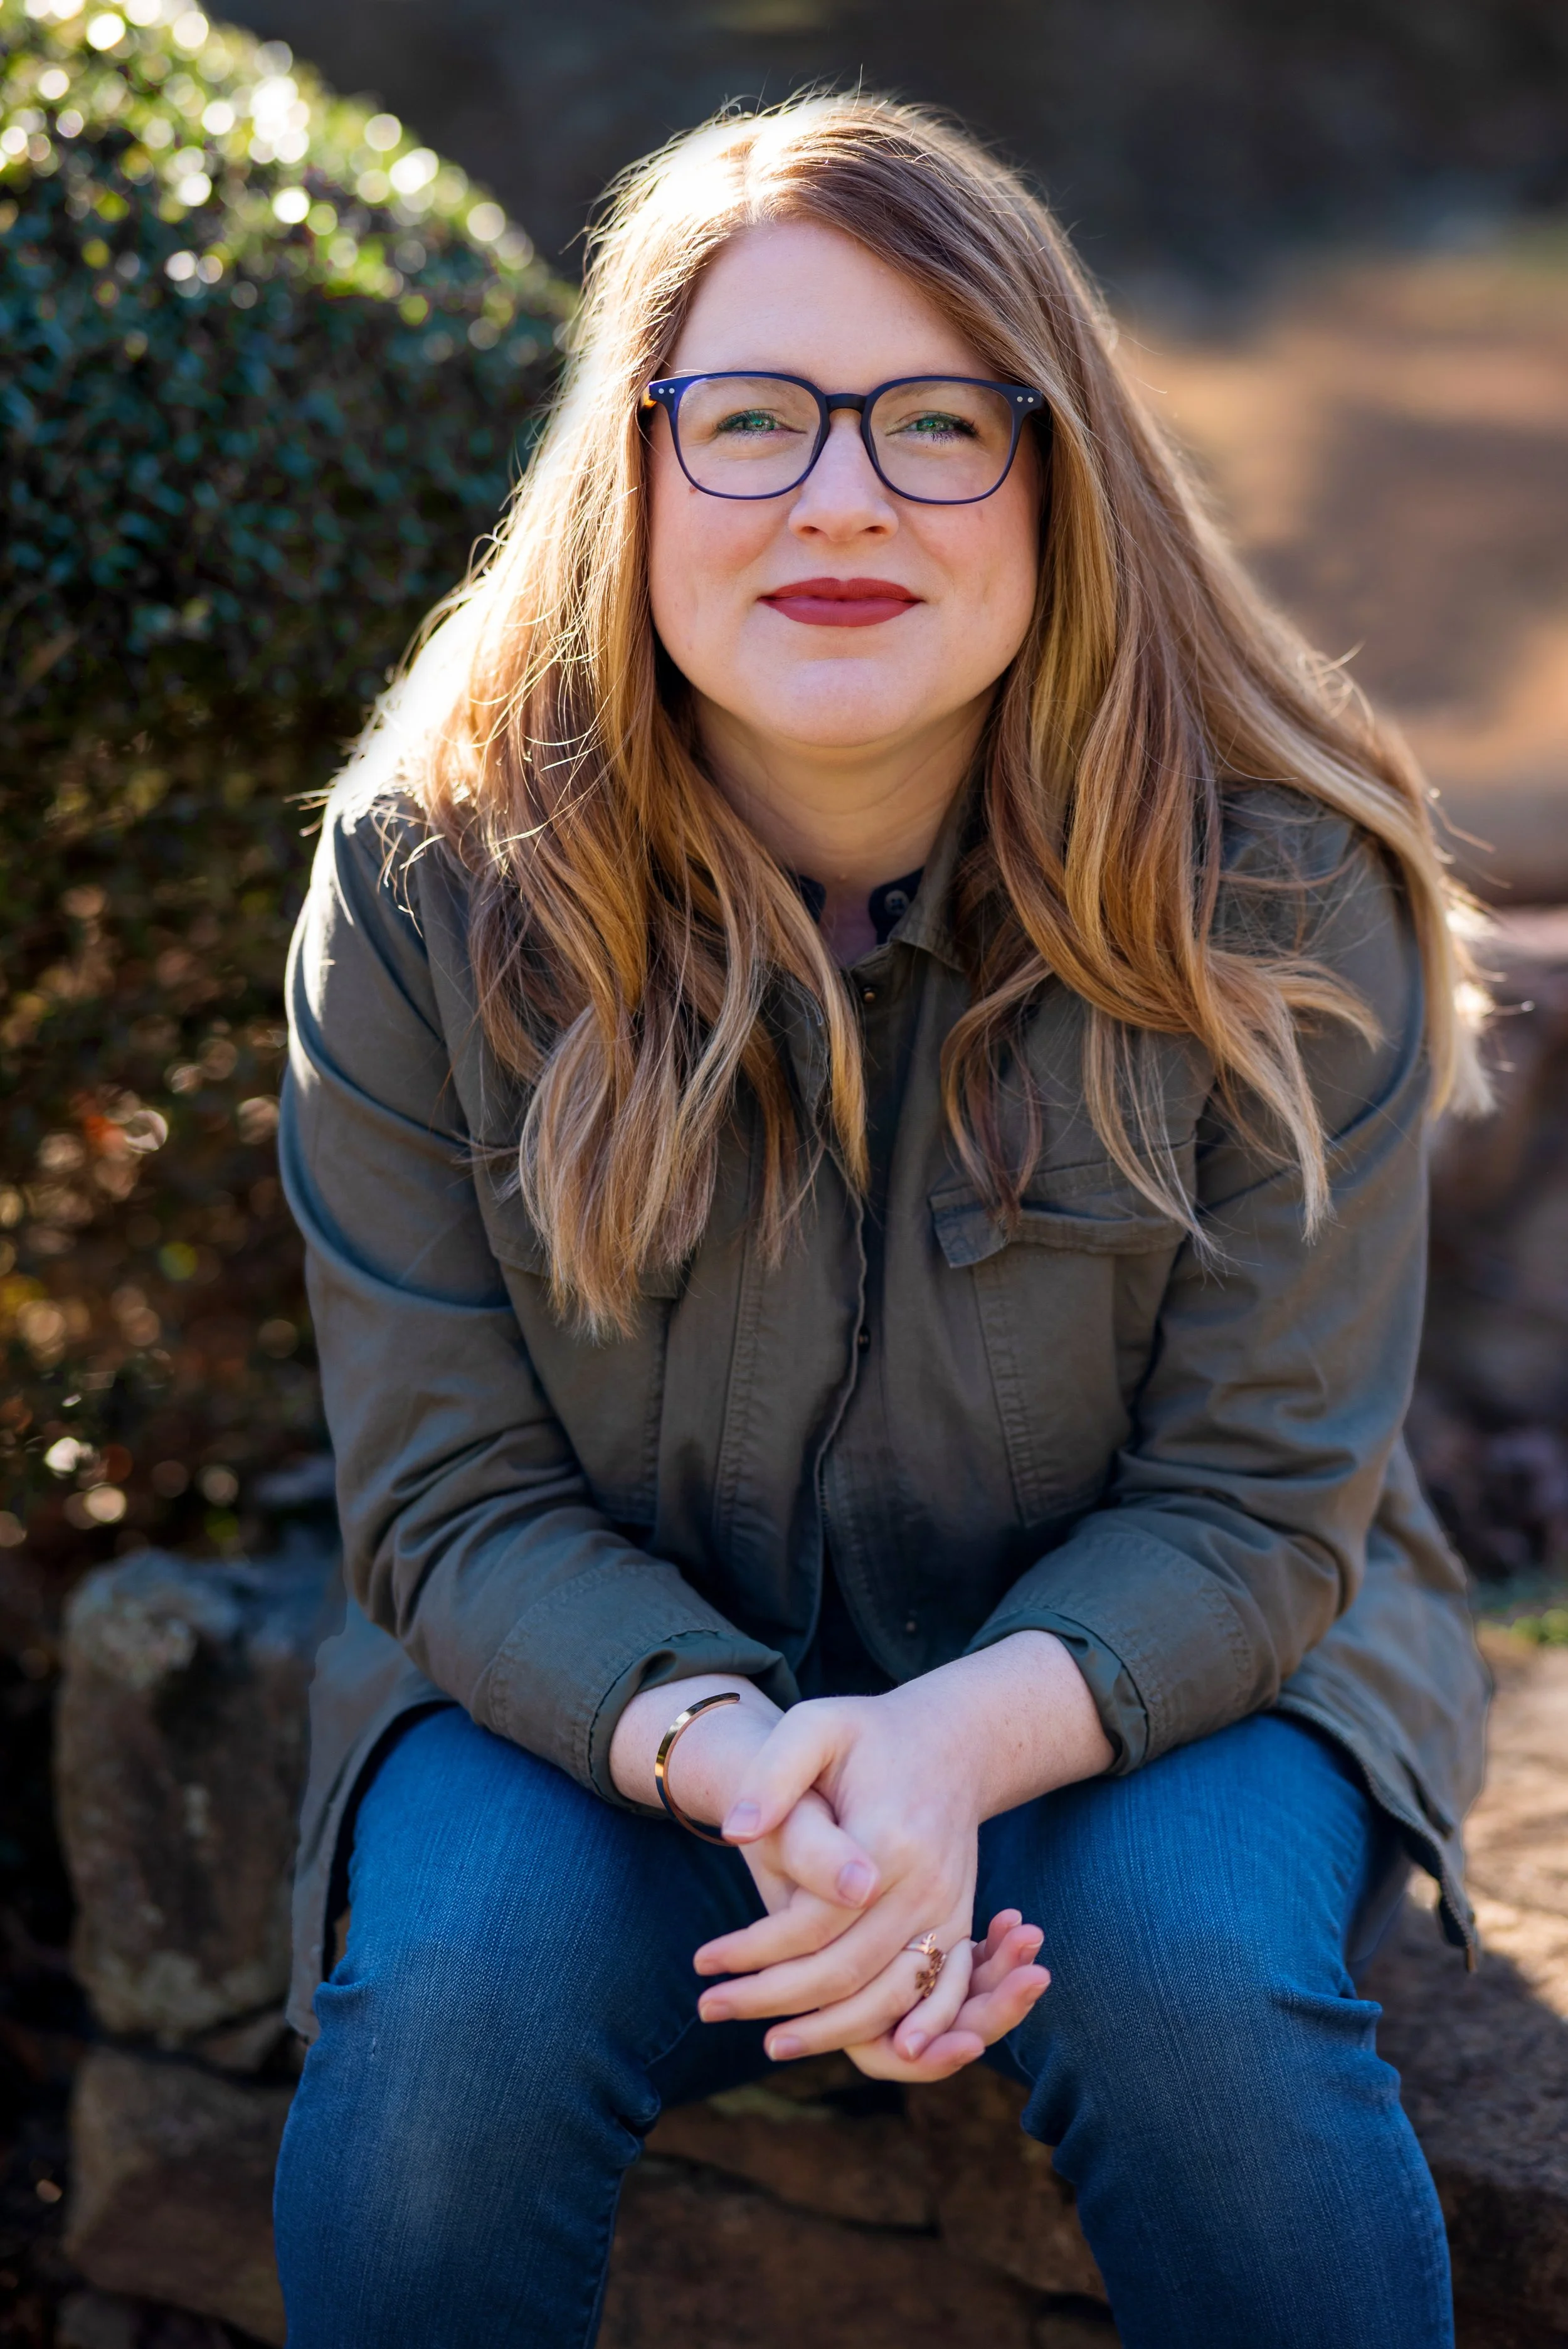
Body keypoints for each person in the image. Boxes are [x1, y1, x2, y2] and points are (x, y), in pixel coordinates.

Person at [272, 93, 1491, 2348]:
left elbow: (1254, 1499)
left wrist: (941, 1752)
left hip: (1175, 1670)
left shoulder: (1289, 885)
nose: (838, 496)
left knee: (1196, 1992)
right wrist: (749, 1755)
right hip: (606, 1694)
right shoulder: (427, 891)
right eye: (747, 419)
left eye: (936, 421)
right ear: (631, 471)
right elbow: (447, 1504)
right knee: (453, 2017)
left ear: (1060, 478)